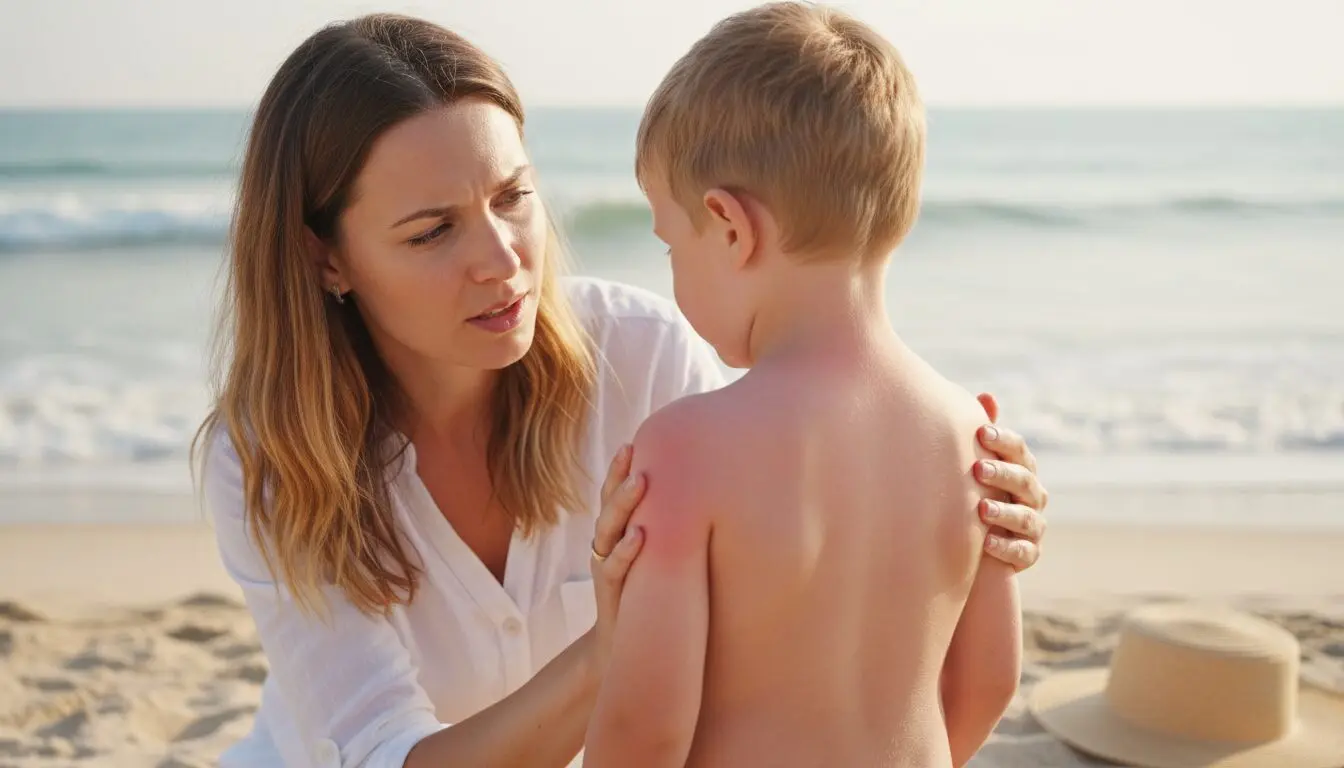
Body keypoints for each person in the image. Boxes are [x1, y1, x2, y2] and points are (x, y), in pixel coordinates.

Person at [195, 13, 1049, 768]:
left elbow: (801, 507)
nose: (501, 259)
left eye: (514, 196)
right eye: (433, 231)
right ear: (326, 259)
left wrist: (1000, 527)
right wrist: (611, 647)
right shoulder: (268, 457)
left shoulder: (643, 358)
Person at [583, 4, 1022, 767]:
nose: (672, 270)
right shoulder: (972, 436)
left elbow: (644, 734)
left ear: (727, 226)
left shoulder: (687, 450)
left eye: (668, 244)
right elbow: (987, 682)